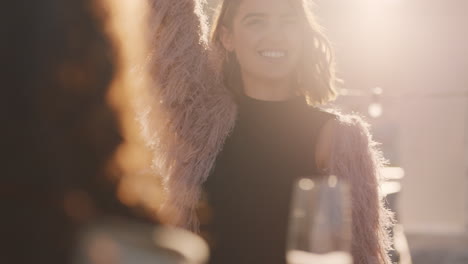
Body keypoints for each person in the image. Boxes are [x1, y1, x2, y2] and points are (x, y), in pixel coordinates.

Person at [141, 0, 394, 263]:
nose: (275, 34)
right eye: (256, 21)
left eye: (288, 21)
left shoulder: (338, 138)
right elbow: (167, 20)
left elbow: (362, 256)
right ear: (228, 37)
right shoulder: (199, 123)